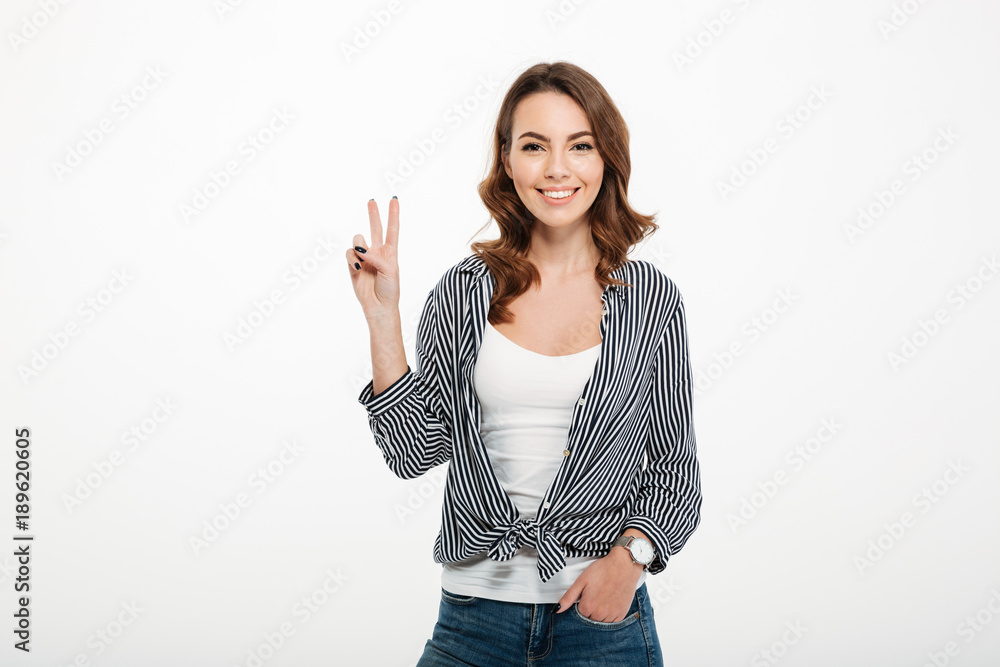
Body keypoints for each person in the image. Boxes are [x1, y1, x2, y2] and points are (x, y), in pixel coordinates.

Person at [348, 61, 702, 666]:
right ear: (507, 161)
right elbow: (413, 452)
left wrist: (629, 562)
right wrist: (384, 318)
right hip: (472, 623)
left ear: (605, 160)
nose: (557, 169)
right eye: (535, 146)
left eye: (580, 146)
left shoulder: (650, 298)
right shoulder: (464, 291)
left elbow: (675, 471)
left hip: (600, 625)